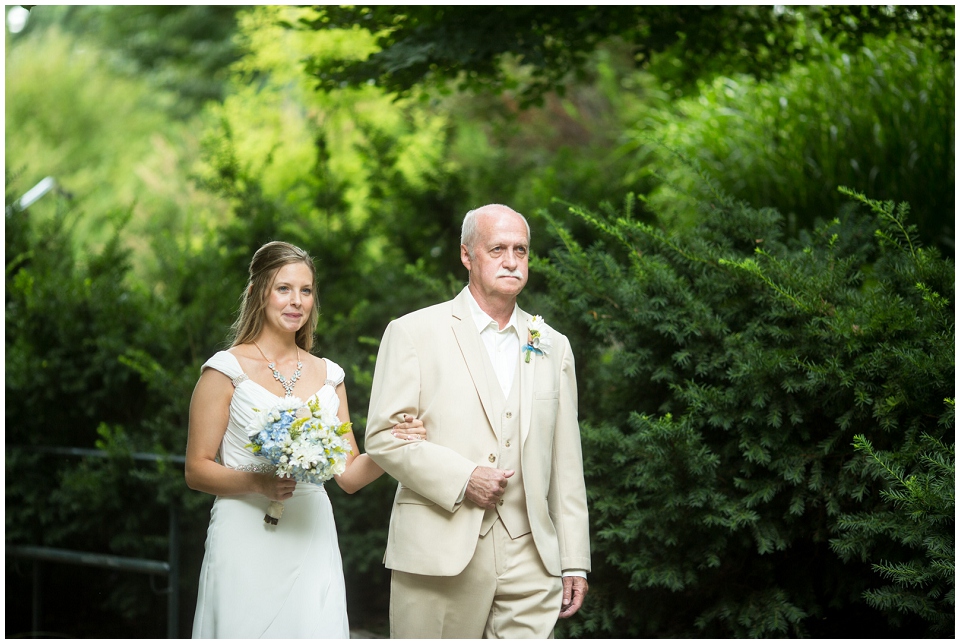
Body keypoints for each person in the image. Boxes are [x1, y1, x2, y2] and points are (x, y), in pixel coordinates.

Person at [364, 204, 591, 638]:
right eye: (498, 249)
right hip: (440, 550)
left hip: (532, 557)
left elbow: (566, 461)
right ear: (467, 256)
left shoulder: (553, 346)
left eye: (521, 250)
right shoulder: (413, 332)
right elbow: (382, 438)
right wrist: (464, 476)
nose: (511, 261)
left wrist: (574, 556)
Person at [185, 240, 425, 638]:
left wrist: (393, 445)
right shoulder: (225, 371)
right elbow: (196, 470)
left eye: (306, 291)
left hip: (312, 530)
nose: (296, 301)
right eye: (284, 288)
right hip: (244, 533)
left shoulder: (331, 375)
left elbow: (348, 475)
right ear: (258, 292)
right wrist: (260, 483)